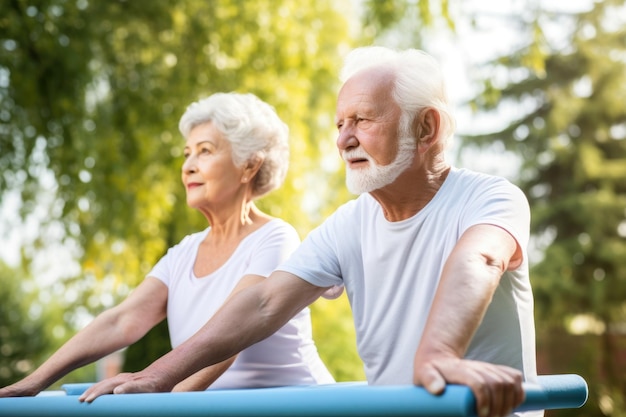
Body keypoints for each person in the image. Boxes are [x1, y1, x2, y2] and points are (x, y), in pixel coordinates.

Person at [75, 46, 539, 417]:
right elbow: (263, 302)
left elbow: (478, 259)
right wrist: (159, 375)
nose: (343, 139)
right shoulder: (347, 225)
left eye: (362, 119)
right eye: (339, 125)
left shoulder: (490, 198)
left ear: (425, 127)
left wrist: (438, 355)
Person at [0, 92, 335, 397]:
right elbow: (122, 320)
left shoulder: (276, 238)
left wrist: (164, 393)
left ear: (249, 165)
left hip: (298, 405)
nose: (189, 165)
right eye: (187, 153)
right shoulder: (183, 254)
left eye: (205, 151)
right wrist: (32, 383)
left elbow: (231, 336)